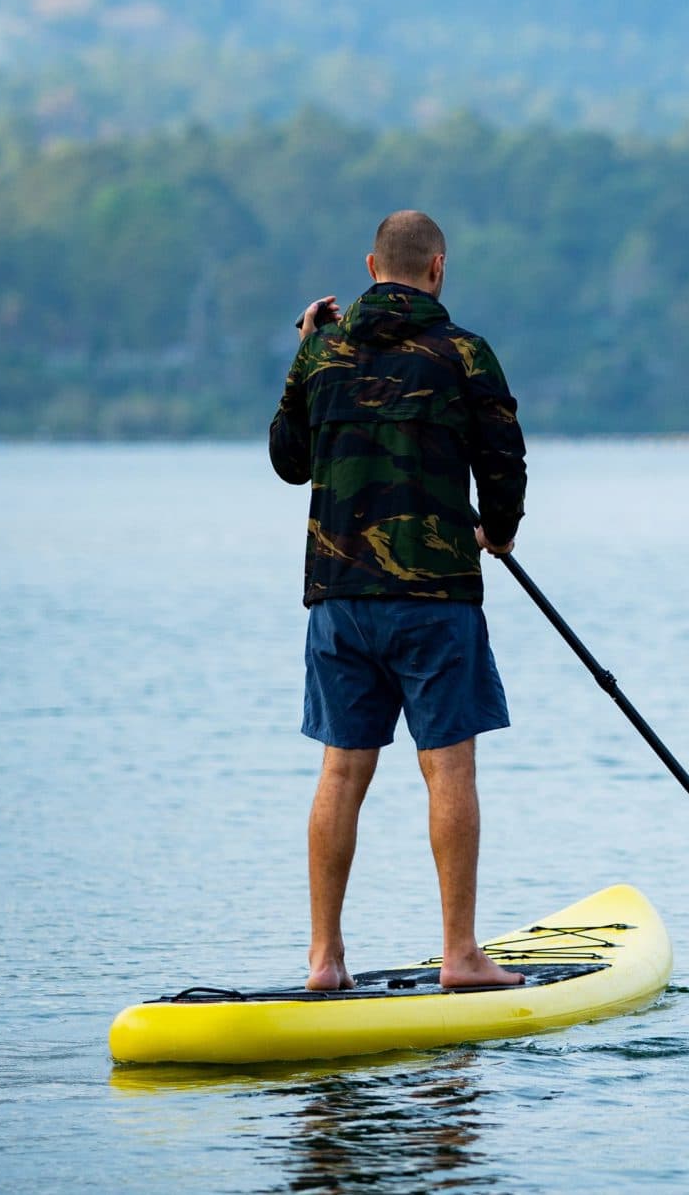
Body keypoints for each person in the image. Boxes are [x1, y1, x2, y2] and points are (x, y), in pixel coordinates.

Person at [268, 209, 529, 991]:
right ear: (437, 268)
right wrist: (501, 530)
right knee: (447, 769)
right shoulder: (464, 354)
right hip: (436, 596)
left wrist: (305, 349)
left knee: (341, 773)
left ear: (371, 266)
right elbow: (504, 461)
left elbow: (287, 458)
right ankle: (460, 956)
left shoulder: (322, 350)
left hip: (340, 597)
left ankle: (324, 959)